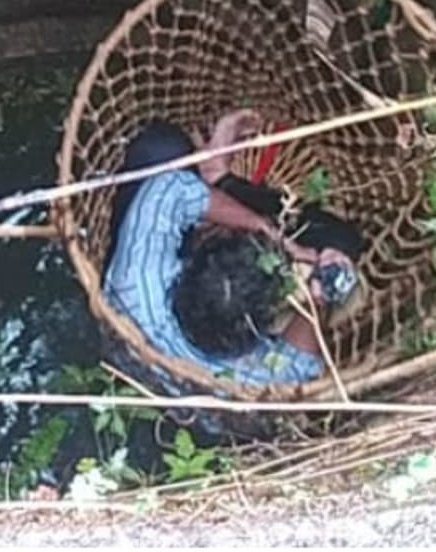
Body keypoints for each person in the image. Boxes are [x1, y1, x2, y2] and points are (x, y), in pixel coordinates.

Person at [102, 111, 361, 388]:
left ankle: (218, 178)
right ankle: (223, 180)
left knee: (161, 148)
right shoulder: (256, 384)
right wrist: (316, 301)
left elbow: (170, 190)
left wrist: (269, 232)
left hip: (136, 334)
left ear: (185, 270)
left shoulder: (137, 279)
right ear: (261, 332)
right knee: (344, 240)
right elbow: (300, 362)